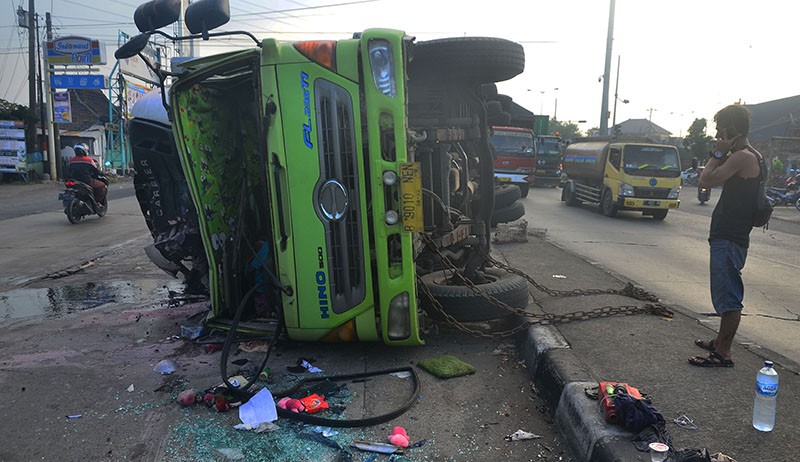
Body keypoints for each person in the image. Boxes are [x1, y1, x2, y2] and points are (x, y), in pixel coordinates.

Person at [689, 104, 762, 367]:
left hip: (730, 236)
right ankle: (720, 342)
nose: (718, 133)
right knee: (724, 291)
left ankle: (723, 353)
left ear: (732, 129)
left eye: (721, 128)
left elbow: (705, 181)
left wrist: (716, 153)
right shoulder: (748, 154)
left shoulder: (742, 156)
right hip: (730, 234)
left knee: (728, 296)